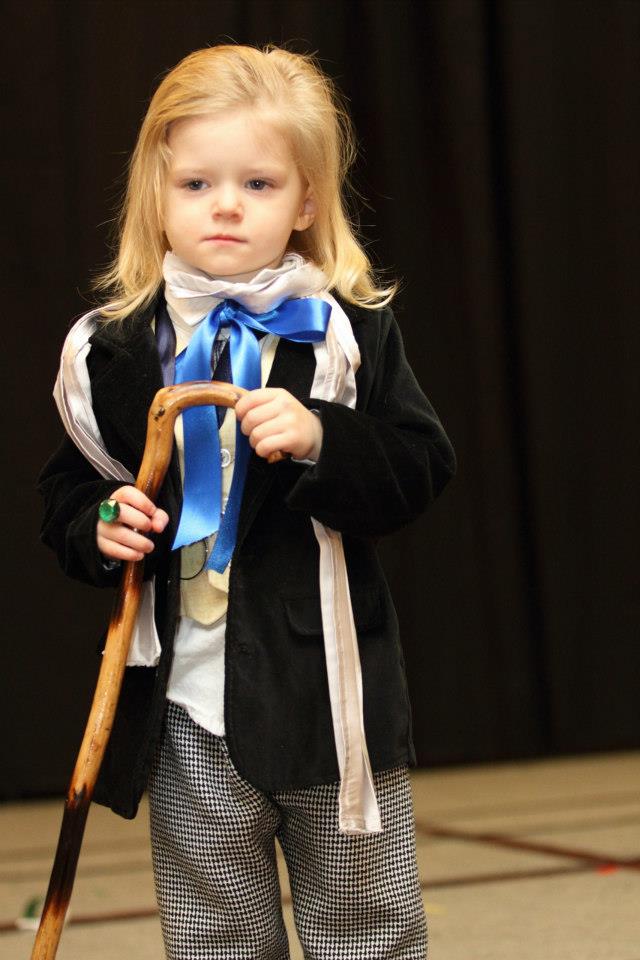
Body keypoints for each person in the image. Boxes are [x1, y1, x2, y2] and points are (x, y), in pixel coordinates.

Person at [39, 44, 456, 960]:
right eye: (196, 183)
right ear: (156, 194)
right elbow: (69, 489)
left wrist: (323, 438)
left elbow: (422, 467)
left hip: (327, 703)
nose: (225, 205)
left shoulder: (346, 332)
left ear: (306, 201)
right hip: (183, 706)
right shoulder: (110, 350)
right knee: (215, 937)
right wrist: (101, 524)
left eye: (258, 183)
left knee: (367, 929)